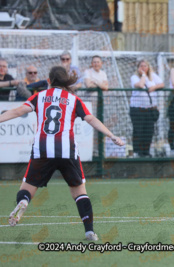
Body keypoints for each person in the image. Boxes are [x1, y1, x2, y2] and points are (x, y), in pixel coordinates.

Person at [0, 66, 125, 240]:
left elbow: (17, 111)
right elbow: (91, 119)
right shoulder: (73, 99)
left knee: (27, 188)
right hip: (67, 150)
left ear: (49, 81)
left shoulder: (39, 96)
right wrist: (111, 135)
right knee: (79, 192)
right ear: (66, 81)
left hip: (42, 149)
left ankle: (24, 202)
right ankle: (89, 230)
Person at [130, 59, 165, 157]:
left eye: (145, 66)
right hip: (137, 108)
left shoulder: (153, 76)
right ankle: (137, 152)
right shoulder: (134, 77)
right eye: (141, 66)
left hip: (150, 109)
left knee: (149, 131)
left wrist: (154, 87)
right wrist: (144, 75)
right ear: (138, 68)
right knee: (138, 130)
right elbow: (140, 85)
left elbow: (161, 84)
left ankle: (146, 152)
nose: (143, 68)